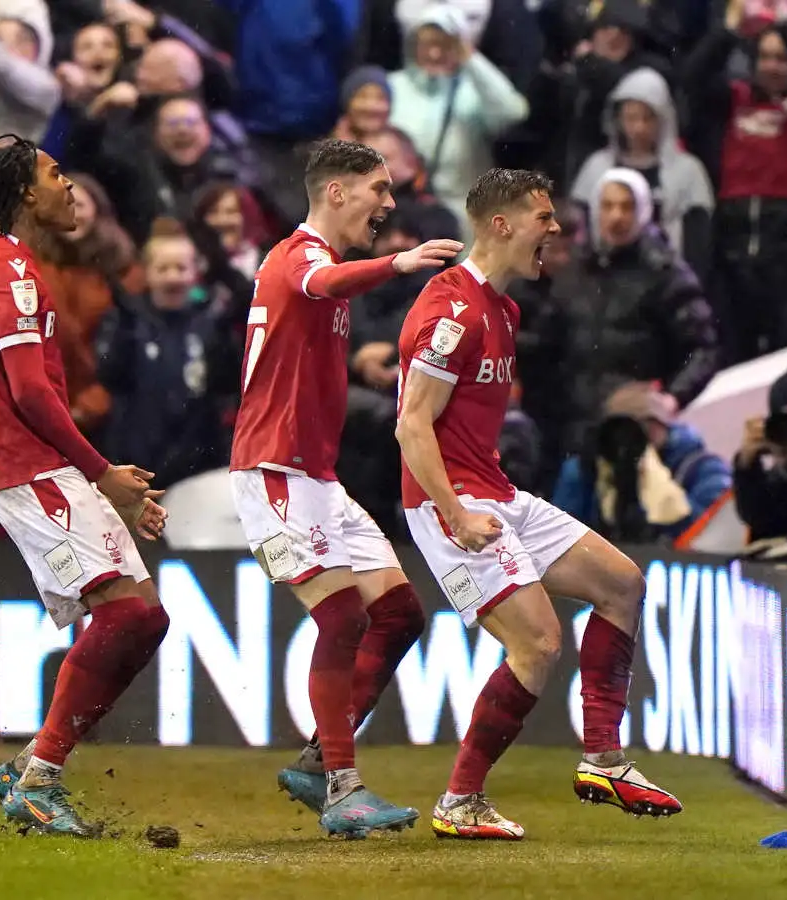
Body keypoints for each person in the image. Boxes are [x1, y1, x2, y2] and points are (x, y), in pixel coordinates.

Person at [395, 168, 682, 841]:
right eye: (543, 217)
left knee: (621, 585)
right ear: (502, 224)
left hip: (494, 490)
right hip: (448, 502)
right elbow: (412, 427)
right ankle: (461, 800)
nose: (554, 230)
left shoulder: (504, 308)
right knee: (539, 643)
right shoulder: (450, 314)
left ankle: (603, 758)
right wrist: (458, 515)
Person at [229, 138, 462, 838]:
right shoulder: (299, 256)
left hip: (316, 478)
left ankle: (313, 763)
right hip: (273, 471)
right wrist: (399, 264)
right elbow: (323, 286)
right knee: (341, 620)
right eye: (378, 190)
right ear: (336, 192)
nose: (389, 204)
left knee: (398, 615)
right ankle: (341, 786)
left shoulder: (320, 262)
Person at [0, 136, 171, 838]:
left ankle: (30, 767)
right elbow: (32, 394)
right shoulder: (3, 268)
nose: (69, 186)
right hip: (22, 460)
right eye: (54, 175)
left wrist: (95, 475)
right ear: (23, 192)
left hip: (34, 460)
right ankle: (41, 777)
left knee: (147, 616)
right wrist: (100, 472)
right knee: (127, 616)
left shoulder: (8, 263)